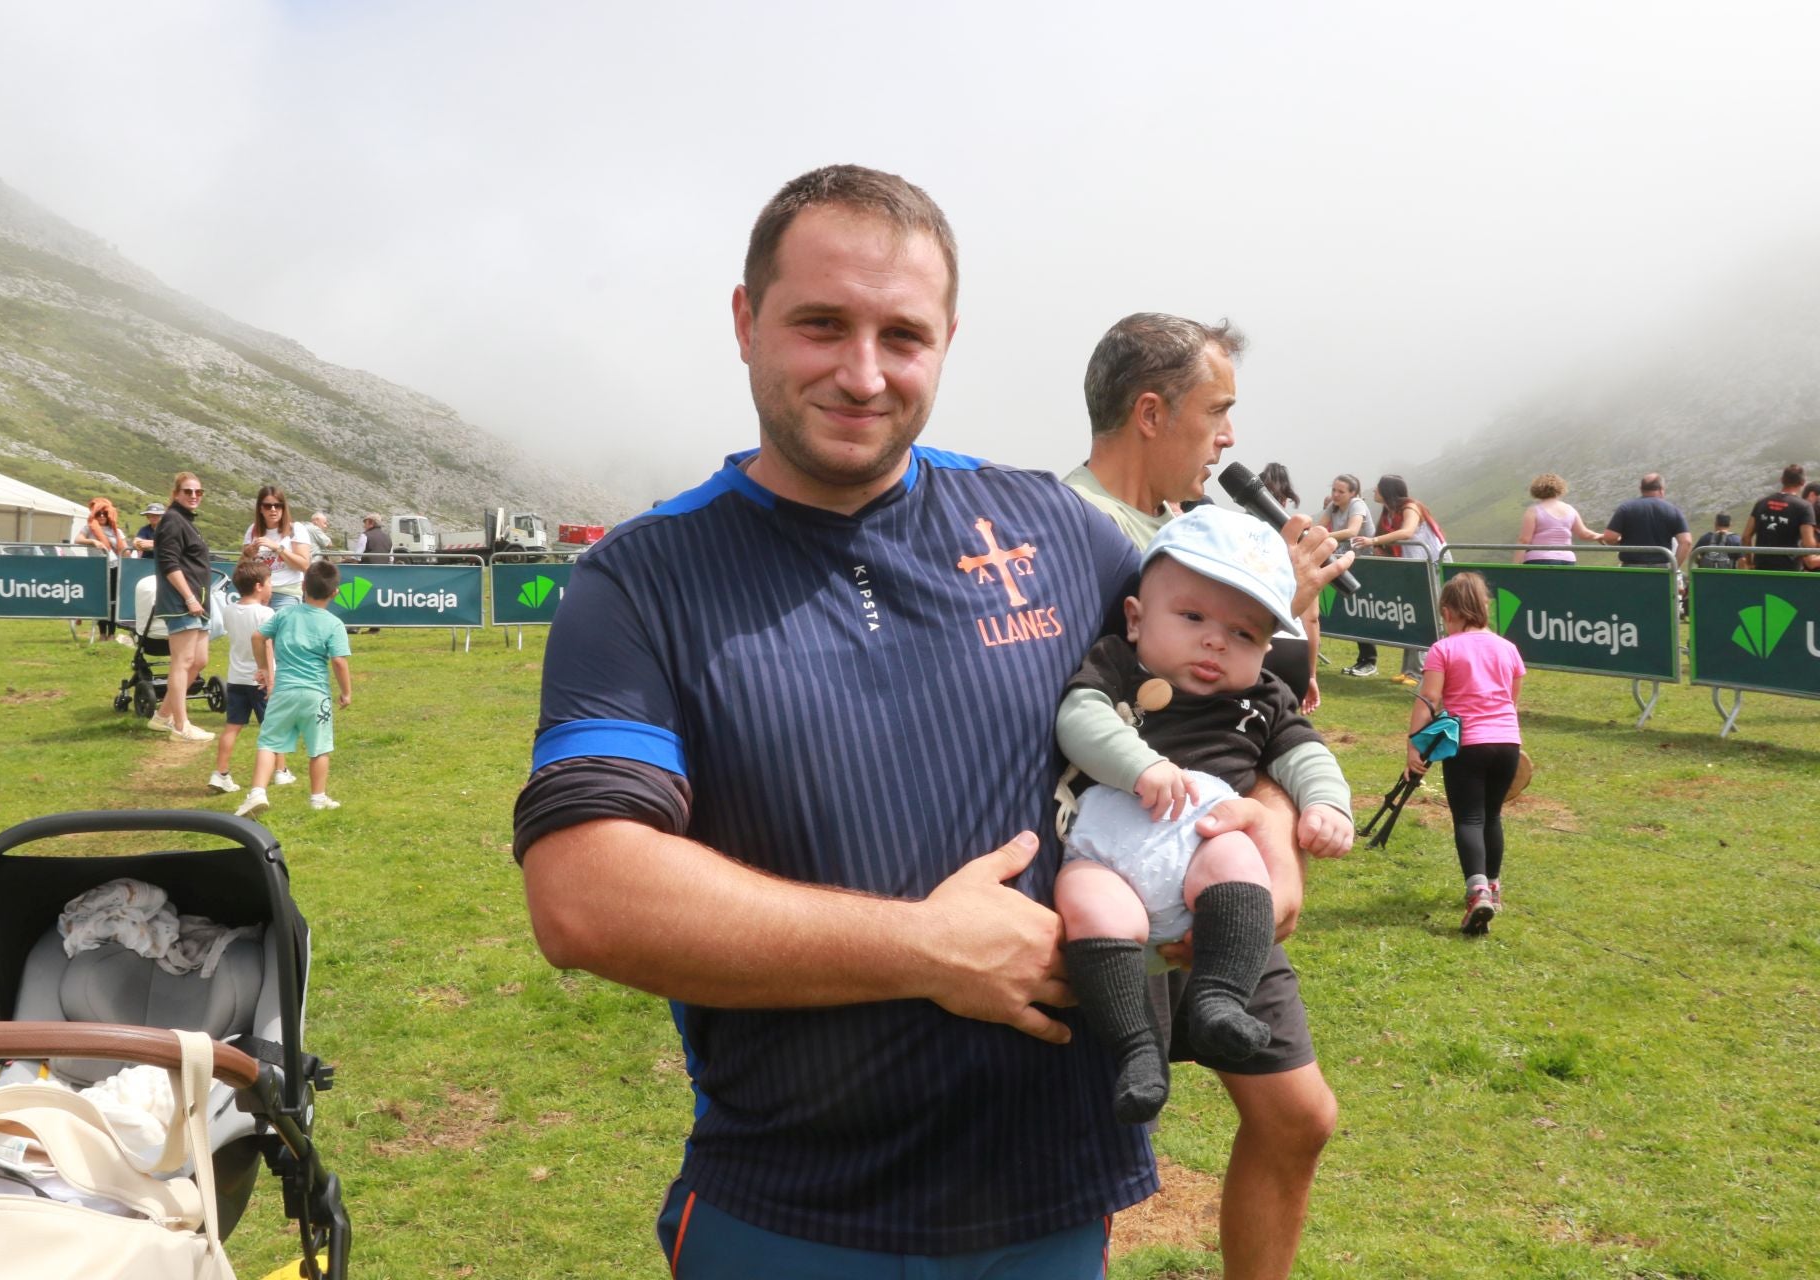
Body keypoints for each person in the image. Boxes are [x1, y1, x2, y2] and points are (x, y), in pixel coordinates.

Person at [515, 167, 1341, 1276]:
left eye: (903, 334)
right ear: (746, 321)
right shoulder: (639, 580)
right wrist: (923, 949)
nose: (863, 373)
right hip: (792, 1212)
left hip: (1054, 1197)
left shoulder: (1057, 530)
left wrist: (1274, 823)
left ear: (948, 340)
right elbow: (582, 892)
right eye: (820, 323)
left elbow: (1243, 690)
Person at [1065, 310, 1348, 1280]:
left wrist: (1273, 818)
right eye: (1216, 411)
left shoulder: (1196, 532)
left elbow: (1256, 706)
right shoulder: (1070, 536)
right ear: (1152, 410)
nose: (1231, 438)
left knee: (1300, 1112)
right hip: (1113, 860)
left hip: (1220, 851)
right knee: (1094, 1148)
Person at [1055, 507, 1352, 1125]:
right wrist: (1137, 764)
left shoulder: (1263, 697)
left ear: (1268, 646)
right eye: (1192, 617)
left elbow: (1306, 756)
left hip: (1204, 852)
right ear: (1136, 619)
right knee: (1083, 899)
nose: (1216, 641)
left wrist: (1326, 805)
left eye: (1244, 634)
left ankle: (1220, 996)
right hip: (1109, 856)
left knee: (1238, 855)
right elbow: (1077, 718)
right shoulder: (1116, 665)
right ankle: (1137, 1049)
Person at [1406, 572, 1524, 936]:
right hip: (1508, 743)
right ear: (1484, 607)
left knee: (1468, 818)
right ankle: (1493, 885)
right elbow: (1512, 698)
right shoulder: (1508, 648)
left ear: (1448, 611)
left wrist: (1414, 743)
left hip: (1467, 743)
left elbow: (1430, 699)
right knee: (1492, 816)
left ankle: (1477, 893)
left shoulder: (1444, 648)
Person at [234, 558, 352, 818]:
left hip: (283, 692)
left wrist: (264, 668)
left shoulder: (285, 614)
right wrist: (345, 692)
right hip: (316, 695)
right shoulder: (334, 624)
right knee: (319, 748)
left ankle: (257, 793)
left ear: (303, 586)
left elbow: (257, 637)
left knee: (269, 743)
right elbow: (339, 662)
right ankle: (318, 798)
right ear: (335, 592)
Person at [1350, 475, 1444, 686]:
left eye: (1378, 487)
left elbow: (1408, 531)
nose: (1374, 490)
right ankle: (1409, 671)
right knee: (1414, 616)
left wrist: (1373, 540)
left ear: (1387, 491)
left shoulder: (1411, 507)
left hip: (1431, 563)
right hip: (1411, 565)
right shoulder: (1387, 514)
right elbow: (1382, 544)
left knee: (1427, 616)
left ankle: (1422, 672)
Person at [152, 473, 214, 742]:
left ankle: (162, 716)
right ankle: (181, 725)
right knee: (183, 661)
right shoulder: (172, 520)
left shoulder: (184, 521)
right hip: (182, 602)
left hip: (196, 601)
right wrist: (188, 597)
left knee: (199, 660)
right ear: (176, 493)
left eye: (198, 492)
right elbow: (169, 563)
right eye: (188, 491)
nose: (193, 496)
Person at [1258, 463, 1322, 710]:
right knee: (1283, 729)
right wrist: (1311, 675)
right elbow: (1312, 618)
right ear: (1285, 501)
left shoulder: (1240, 536)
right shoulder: (1302, 544)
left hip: (1255, 643)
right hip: (1293, 647)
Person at [210, 560, 275, 794]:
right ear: (259, 586)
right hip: (259, 681)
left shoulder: (229, 610)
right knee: (272, 728)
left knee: (232, 727)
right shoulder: (266, 613)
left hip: (235, 679)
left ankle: (221, 773)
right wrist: (270, 677)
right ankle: (280, 771)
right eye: (270, 582)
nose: (272, 587)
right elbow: (267, 646)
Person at [1320, 475, 1378, 678]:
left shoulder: (1357, 505)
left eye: (1340, 491)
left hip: (1366, 564)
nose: (1335, 495)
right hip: (1346, 563)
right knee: (1353, 610)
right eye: (1333, 490)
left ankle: (1369, 661)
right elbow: (1321, 525)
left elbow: (1352, 531)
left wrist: (1321, 536)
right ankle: (1363, 661)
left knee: (1362, 610)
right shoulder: (1333, 506)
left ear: (1353, 493)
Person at [242, 485, 313, 610]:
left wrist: (278, 548)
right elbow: (242, 567)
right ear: (260, 508)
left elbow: (304, 565)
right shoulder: (253, 530)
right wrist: (247, 555)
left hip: (286, 593)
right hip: (257, 593)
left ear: (283, 508)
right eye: (267, 506)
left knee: (282, 629)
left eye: (278, 505)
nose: (273, 509)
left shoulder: (296, 529)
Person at [1741, 463, 1819, 572]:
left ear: (1782, 479)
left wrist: (1749, 563)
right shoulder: (1804, 507)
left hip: (1761, 566)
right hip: (1789, 570)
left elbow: (1746, 537)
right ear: (1802, 483)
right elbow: (1808, 544)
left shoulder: (1761, 502)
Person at [1601, 473, 1690, 568]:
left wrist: (1620, 542)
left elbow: (1609, 538)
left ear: (1641, 489)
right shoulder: (1673, 510)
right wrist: (1674, 568)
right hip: (1662, 569)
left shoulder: (1626, 508)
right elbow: (1686, 542)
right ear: (1661, 490)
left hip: (1632, 569)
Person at [1513, 473, 1605, 564]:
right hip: (1567, 559)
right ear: (1560, 489)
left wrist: (1516, 565)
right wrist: (1599, 536)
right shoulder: (1570, 510)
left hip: (1539, 558)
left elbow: (1524, 539)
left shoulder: (1533, 511)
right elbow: (1583, 534)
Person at [73, 497, 128, 640]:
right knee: (101, 600)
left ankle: (112, 633)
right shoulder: (88, 528)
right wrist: (93, 541)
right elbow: (77, 540)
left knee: (114, 600)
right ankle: (102, 633)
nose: (102, 516)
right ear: (94, 515)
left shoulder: (117, 531)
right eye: (98, 514)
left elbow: (126, 551)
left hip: (115, 567)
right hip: (97, 568)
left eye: (105, 513)